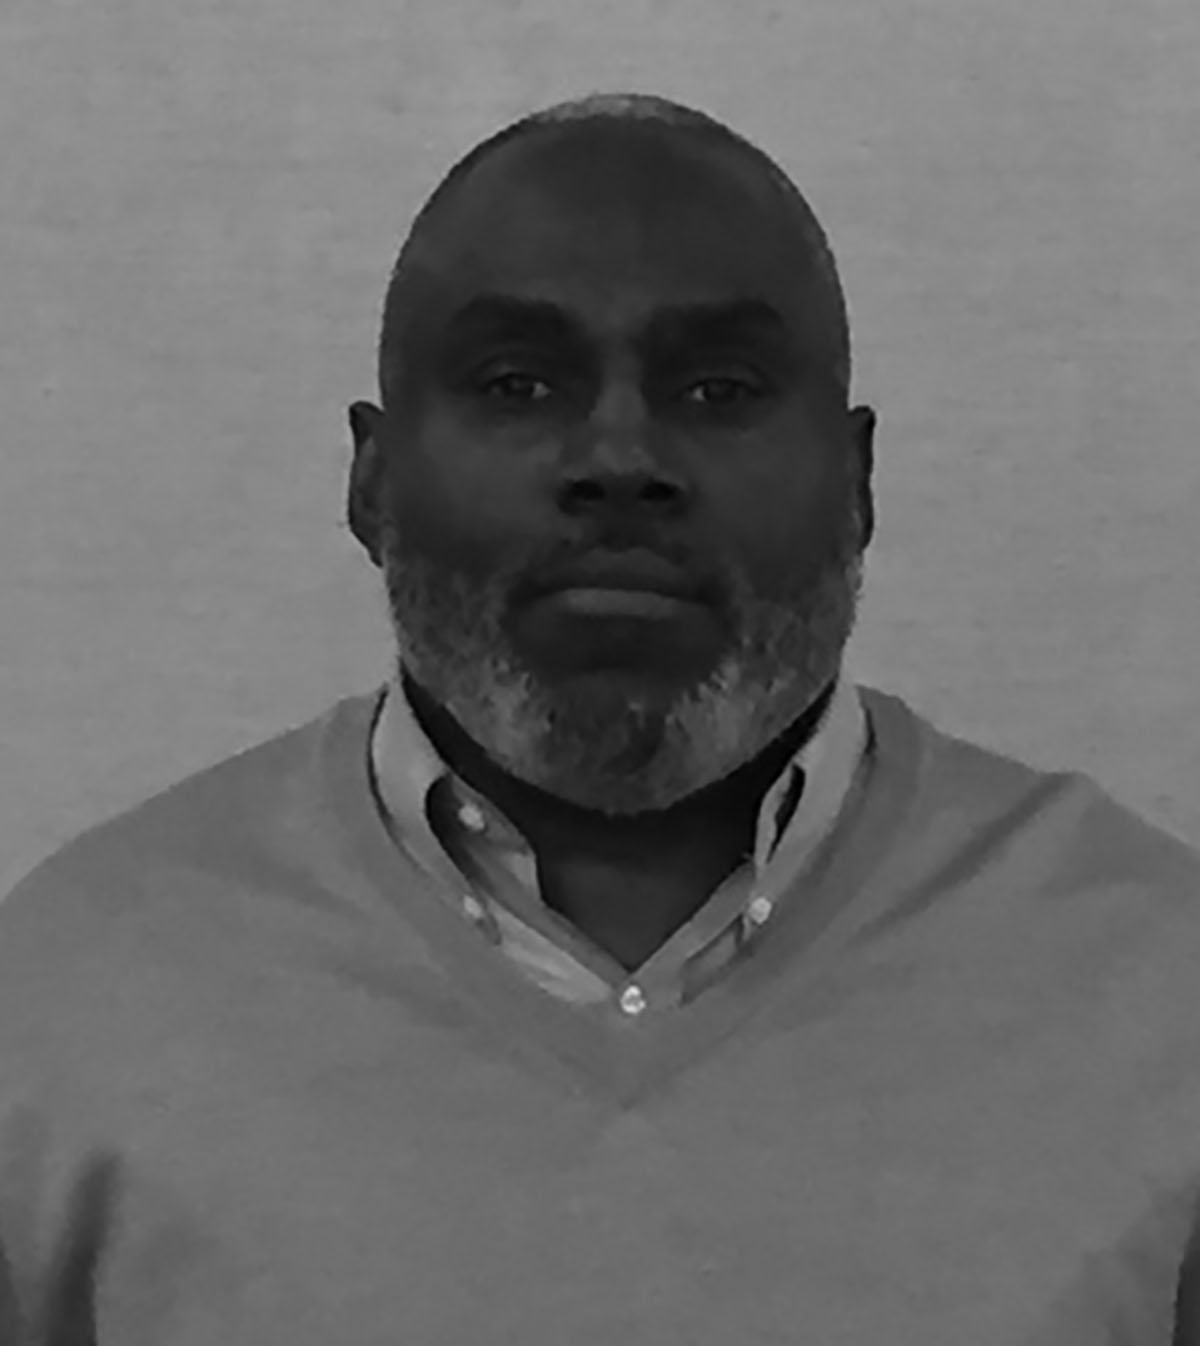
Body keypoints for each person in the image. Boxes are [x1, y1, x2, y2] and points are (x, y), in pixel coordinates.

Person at [3, 90, 1199, 1346]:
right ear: (372, 479)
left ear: (857, 483)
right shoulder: (68, 998)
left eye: (719, 386)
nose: (620, 456)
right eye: (517, 382)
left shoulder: (1156, 987)